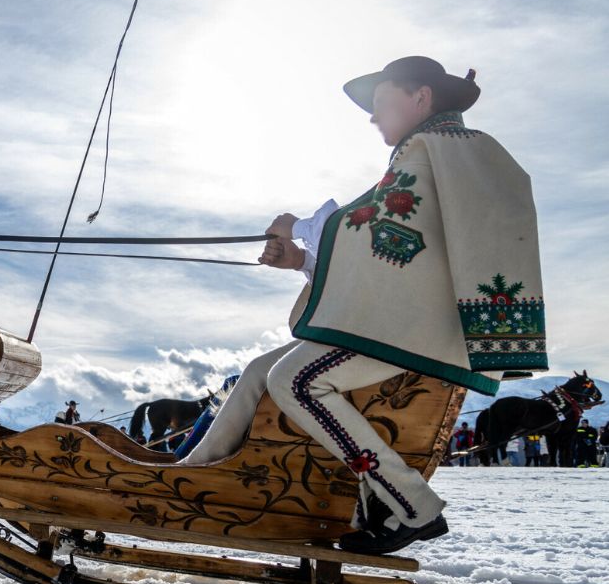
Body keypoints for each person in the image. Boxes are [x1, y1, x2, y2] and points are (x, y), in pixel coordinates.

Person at [179, 56, 547, 555]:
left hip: (419, 328)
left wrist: (300, 228)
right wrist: (302, 260)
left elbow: (370, 227)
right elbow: (395, 254)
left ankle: (411, 503)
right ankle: (189, 473)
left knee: (296, 379)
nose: (372, 117)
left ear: (421, 97)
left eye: (379, 102)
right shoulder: (439, 152)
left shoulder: (432, 149)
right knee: (259, 372)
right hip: (407, 322)